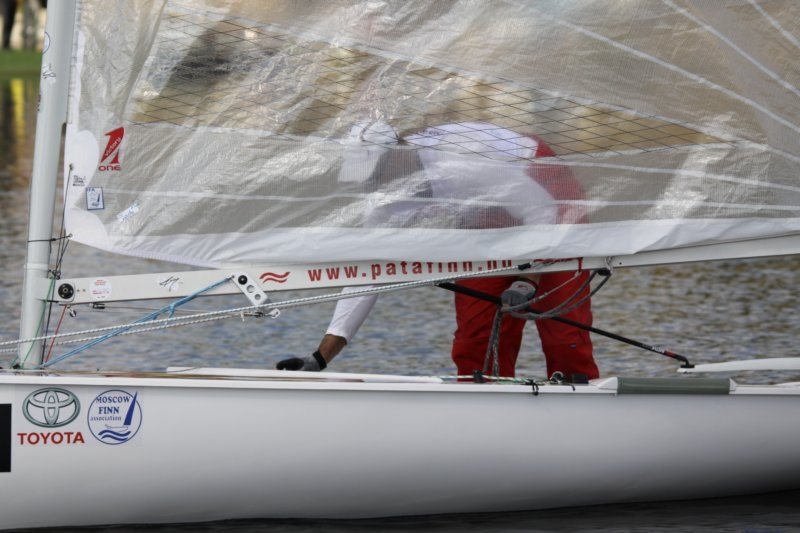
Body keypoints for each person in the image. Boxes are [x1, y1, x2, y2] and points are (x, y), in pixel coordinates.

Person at [277, 121, 599, 381]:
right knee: (475, 340)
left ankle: (578, 398)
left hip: (546, 194)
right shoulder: (385, 200)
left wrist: (528, 280)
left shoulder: (461, 161)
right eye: (368, 178)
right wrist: (321, 357)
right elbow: (367, 274)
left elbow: (541, 211)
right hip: (485, 217)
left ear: (399, 155)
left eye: (376, 173)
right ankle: (484, 408)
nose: (373, 184)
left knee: (563, 334)